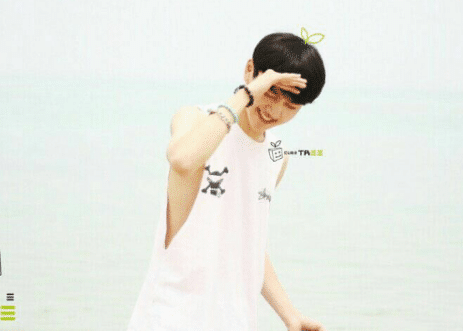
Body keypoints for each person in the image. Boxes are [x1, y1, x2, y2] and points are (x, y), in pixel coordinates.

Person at [126, 32, 327, 331]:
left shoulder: (277, 156)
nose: (275, 111)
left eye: (291, 106)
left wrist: (290, 316)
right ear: (250, 70)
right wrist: (247, 93)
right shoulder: (196, 119)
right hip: (171, 316)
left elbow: (248, 240)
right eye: (271, 92)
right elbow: (182, 160)